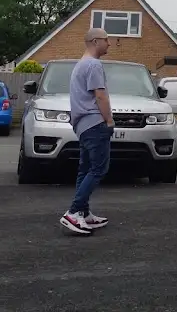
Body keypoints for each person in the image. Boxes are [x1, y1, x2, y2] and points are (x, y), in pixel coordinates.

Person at [59, 27, 116, 235]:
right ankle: (73, 212)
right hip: (94, 124)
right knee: (99, 168)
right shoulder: (93, 64)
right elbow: (100, 96)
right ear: (95, 41)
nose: (109, 43)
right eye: (106, 39)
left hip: (82, 126)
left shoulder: (79, 65)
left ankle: (83, 213)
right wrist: (109, 120)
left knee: (85, 169)